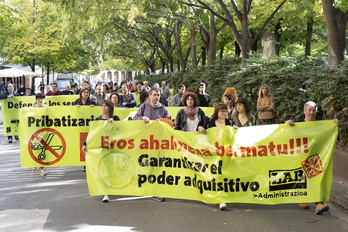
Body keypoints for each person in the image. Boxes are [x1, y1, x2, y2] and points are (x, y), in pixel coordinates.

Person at [285, 101, 338, 215]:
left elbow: (328, 132)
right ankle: (302, 198)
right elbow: (286, 133)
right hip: (301, 156)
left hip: (315, 157)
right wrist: (286, 124)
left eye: (313, 110)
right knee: (302, 176)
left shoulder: (321, 125)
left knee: (317, 177)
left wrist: (333, 124)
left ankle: (319, 204)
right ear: (304, 111)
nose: (311, 112)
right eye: (309, 110)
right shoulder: (298, 123)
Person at [133, 87, 169, 202]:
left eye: (158, 95)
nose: (156, 97)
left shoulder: (163, 108)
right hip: (145, 142)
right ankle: (145, 187)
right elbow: (134, 119)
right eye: (154, 95)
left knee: (157, 166)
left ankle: (156, 191)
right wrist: (142, 118)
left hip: (158, 142)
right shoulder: (143, 107)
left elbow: (169, 122)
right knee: (146, 165)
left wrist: (162, 122)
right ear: (149, 95)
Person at [82, 100, 120, 203]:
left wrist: (114, 124)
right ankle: (106, 192)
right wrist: (84, 143)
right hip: (102, 148)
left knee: (112, 169)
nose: (103, 108)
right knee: (103, 169)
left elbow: (121, 131)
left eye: (105, 106)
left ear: (110, 108)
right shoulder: (97, 120)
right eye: (102, 106)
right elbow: (91, 133)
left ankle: (111, 188)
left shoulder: (116, 119)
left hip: (114, 147)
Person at [207, 103, 235, 210]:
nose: (224, 113)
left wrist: (235, 129)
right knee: (217, 174)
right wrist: (201, 128)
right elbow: (201, 131)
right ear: (217, 112)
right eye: (222, 111)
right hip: (213, 152)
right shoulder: (210, 122)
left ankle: (221, 197)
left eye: (226, 111)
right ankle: (220, 199)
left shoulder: (229, 122)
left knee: (223, 174)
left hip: (226, 153)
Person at [32, 92, 47, 176]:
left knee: (43, 149)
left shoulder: (46, 108)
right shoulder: (32, 108)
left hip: (44, 132)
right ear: (36, 100)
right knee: (35, 149)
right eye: (38, 99)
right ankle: (34, 163)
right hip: (34, 132)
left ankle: (41, 169)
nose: (40, 100)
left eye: (42, 99)